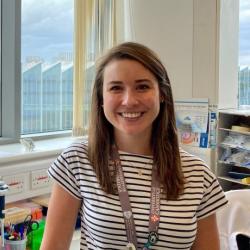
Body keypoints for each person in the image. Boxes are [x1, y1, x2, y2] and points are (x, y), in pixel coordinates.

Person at [40, 42, 228, 250]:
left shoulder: (198, 174)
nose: (129, 101)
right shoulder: (78, 159)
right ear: (101, 98)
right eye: (116, 88)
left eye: (142, 86)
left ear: (162, 94)